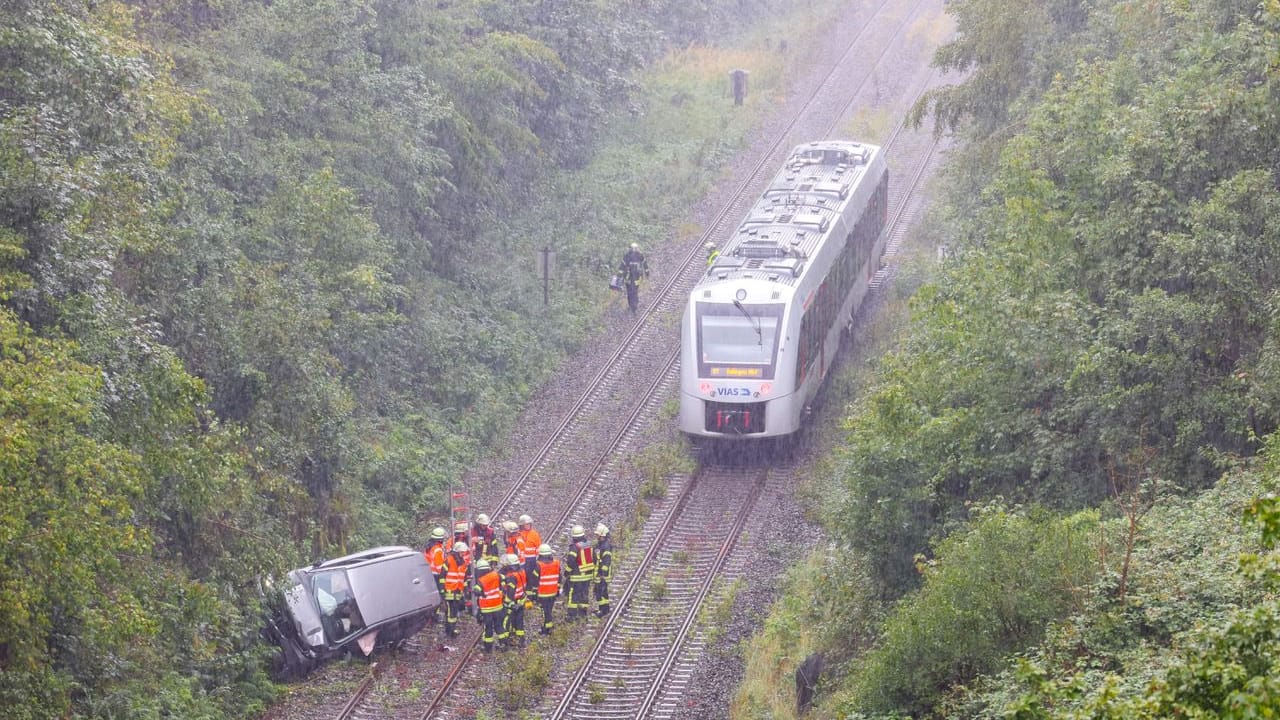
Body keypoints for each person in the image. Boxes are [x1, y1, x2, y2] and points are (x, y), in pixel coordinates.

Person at [563, 525, 596, 620]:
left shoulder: (574, 547)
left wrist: (567, 572)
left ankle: (572, 616)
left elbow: (571, 562)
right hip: (588, 575)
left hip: (577, 576)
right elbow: (594, 558)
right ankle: (583, 613)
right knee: (584, 594)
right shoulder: (589, 545)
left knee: (573, 594)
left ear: (574, 537)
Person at [472, 558, 504, 652]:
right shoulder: (496, 574)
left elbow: (476, 590)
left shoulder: (482, 580)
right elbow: (503, 579)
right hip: (498, 606)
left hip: (487, 608)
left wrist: (477, 592)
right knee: (499, 626)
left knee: (488, 627)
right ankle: (503, 644)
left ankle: (488, 648)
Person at [529, 544, 561, 635]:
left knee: (545, 611)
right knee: (549, 610)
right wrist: (558, 588)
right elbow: (560, 577)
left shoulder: (539, 565)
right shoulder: (556, 563)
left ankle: (547, 628)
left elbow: (534, 580)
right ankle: (548, 626)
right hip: (553, 592)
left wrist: (534, 593)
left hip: (543, 593)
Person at [442, 541, 471, 638]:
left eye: (464, 552)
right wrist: (442, 590)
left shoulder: (462, 563)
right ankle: (450, 631)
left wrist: (465, 590)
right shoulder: (449, 560)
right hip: (449, 590)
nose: (463, 554)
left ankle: (452, 629)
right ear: (457, 551)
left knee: (454, 612)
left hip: (458, 591)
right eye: (462, 552)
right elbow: (442, 576)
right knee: (451, 612)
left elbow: (464, 578)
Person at [500, 553, 527, 647]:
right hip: (521, 600)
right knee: (519, 621)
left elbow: (510, 592)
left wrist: (507, 603)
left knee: (507, 620)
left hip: (513, 601)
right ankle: (521, 640)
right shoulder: (521, 571)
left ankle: (505, 641)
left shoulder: (511, 577)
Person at [424, 527, 447, 620]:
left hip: (428, 574)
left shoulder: (429, 547)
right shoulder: (437, 550)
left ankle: (430, 614)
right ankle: (435, 615)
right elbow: (439, 566)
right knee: (439, 595)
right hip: (436, 575)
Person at [619, 242, 649, 313]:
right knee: (633, 292)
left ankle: (633, 305)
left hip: (631, 279)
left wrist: (619, 276)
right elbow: (645, 265)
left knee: (631, 292)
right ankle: (633, 305)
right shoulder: (638, 255)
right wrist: (647, 274)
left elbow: (621, 267)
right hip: (632, 279)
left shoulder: (629, 256)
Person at [592, 523, 614, 618]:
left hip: (602, 575)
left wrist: (602, 574)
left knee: (601, 593)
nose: (596, 536)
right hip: (598, 574)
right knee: (600, 592)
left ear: (602, 535)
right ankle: (604, 609)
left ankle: (603, 611)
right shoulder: (600, 545)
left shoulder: (605, 546)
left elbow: (606, 561)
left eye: (598, 535)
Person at [518, 514, 542, 594]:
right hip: (521, 560)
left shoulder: (534, 534)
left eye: (529, 524)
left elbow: (538, 548)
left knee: (531, 577)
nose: (528, 526)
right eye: (526, 524)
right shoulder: (518, 534)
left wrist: (538, 560)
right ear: (522, 525)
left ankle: (530, 592)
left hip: (531, 560)